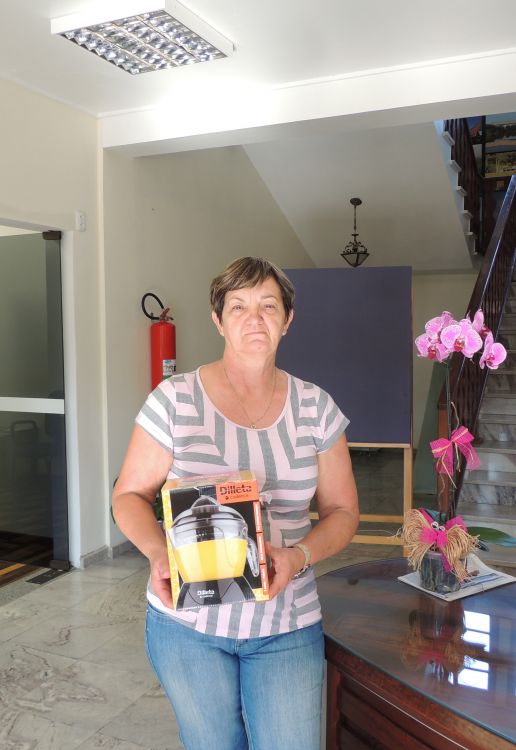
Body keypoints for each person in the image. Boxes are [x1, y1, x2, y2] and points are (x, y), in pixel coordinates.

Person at [112, 256, 359, 750]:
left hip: (287, 621)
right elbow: (128, 495)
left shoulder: (316, 407)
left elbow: (344, 512)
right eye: (239, 306)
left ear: (288, 320)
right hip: (188, 625)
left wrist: (299, 556)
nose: (255, 318)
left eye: (269, 306)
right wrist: (160, 554)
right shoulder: (174, 399)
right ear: (218, 320)